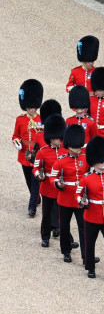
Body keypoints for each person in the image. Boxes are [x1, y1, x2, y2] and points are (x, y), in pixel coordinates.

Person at [77, 136, 104, 280]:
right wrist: (82, 202)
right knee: (90, 243)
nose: (103, 163)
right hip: (92, 215)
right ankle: (90, 267)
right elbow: (78, 194)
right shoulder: (86, 178)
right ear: (94, 162)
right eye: (101, 161)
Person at [51, 124, 87, 263]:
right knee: (64, 227)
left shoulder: (84, 159)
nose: (79, 149)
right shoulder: (61, 161)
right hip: (65, 198)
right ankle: (66, 251)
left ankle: (86, 255)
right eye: (77, 147)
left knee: (83, 227)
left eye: (79, 147)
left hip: (80, 198)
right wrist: (57, 184)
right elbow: (52, 178)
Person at [33, 114, 66, 247]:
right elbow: (35, 168)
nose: (59, 140)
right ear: (51, 139)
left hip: (60, 186)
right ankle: (45, 237)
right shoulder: (42, 152)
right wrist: (38, 175)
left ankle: (65, 238)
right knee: (46, 214)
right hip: (47, 186)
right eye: (57, 138)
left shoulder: (64, 150)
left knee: (62, 215)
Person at [14, 79, 44, 217]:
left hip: (37, 153)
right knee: (28, 180)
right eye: (30, 107)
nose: (33, 109)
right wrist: (17, 143)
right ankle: (36, 198)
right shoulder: (20, 120)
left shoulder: (41, 119)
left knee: (35, 179)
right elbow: (15, 136)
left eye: (34, 107)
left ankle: (32, 208)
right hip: (24, 153)